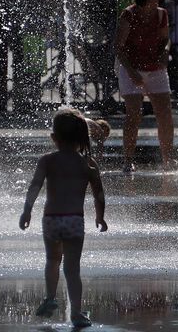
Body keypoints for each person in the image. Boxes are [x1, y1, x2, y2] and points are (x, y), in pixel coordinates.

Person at [19, 109, 107, 329]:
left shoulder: (47, 161)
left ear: (54, 138)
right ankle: (76, 312)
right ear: (81, 139)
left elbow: (34, 187)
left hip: (51, 219)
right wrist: (100, 216)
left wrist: (27, 211)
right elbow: (99, 193)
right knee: (72, 268)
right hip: (74, 221)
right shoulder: (88, 164)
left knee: (52, 260)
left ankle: (50, 298)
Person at [114, 0, 175, 172]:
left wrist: (165, 52)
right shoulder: (128, 15)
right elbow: (119, 47)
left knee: (165, 114)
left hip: (155, 68)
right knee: (134, 114)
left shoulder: (161, 14)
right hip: (130, 67)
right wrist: (132, 73)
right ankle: (127, 160)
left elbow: (166, 40)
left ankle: (168, 160)